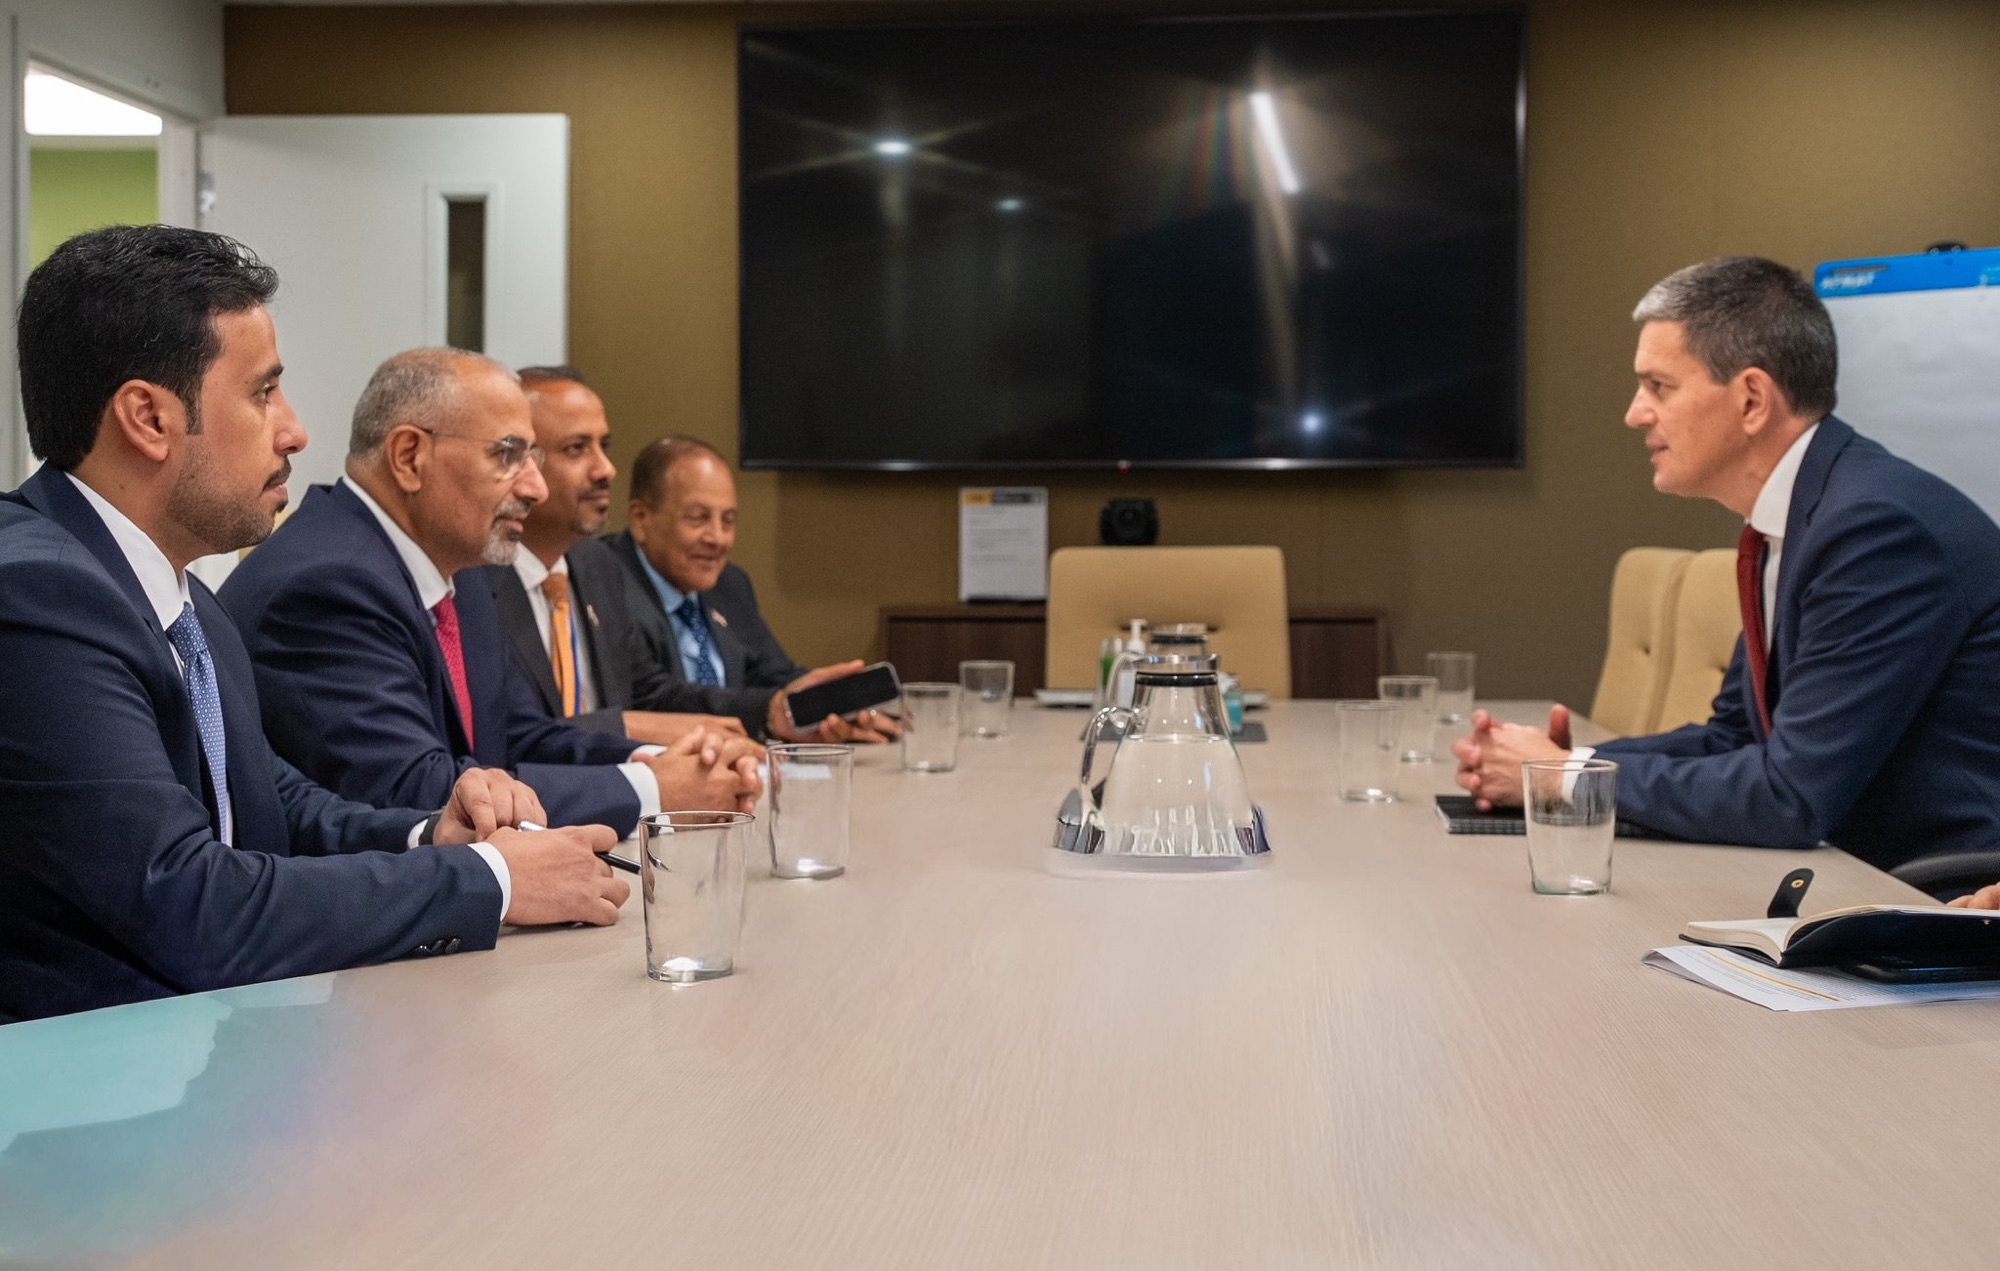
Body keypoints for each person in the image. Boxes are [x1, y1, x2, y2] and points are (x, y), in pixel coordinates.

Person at [0, 226, 626, 1023]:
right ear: (148, 418)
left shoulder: (185, 600)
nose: (294, 430)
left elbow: (275, 804)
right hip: (78, 1083)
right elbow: (190, 903)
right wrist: (493, 879)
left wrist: (432, 835)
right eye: (263, 393)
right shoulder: (38, 596)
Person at [1453, 256, 2000, 872]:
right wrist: (1570, 765)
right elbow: (1735, 737)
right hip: (1844, 875)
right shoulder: (1804, 517)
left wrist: (1567, 776)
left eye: (1659, 386)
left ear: (1751, 400)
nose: (1635, 413)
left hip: (1934, 899)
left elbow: (1789, 797)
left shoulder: (1876, 531)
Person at [219, 349, 760, 840]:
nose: (535, 488)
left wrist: (667, 761)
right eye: (507, 455)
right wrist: (653, 791)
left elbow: (516, 737)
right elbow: (423, 793)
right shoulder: (328, 584)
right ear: (409, 456)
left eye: (533, 458)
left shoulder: (464, 573)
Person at [473, 365, 751, 747]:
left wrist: (771, 712)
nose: (606, 470)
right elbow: (507, 734)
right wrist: (626, 727)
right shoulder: (473, 581)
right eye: (576, 448)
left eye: (603, 447)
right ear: (518, 462)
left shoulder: (597, 565)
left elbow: (648, 694)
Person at [607, 437, 900, 743]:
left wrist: (833, 707)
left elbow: (775, 676)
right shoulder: (607, 587)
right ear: (640, 519)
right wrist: (769, 713)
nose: (718, 539)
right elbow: (657, 701)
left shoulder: (729, 584)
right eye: (698, 518)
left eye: (728, 521)